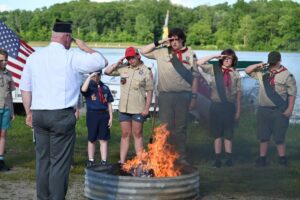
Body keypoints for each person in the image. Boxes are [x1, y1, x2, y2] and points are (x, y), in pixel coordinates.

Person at [20, 19, 108, 200]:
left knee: (43, 161)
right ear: (67, 37)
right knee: (59, 164)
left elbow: (25, 88)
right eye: (71, 38)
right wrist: (85, 47)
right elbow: (102, 61)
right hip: (61, 114)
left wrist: (28, 111)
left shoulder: (34, 57)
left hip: (39, 114)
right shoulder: (72, 57)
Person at [140, 28, 198, 162]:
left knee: (181, 128)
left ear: (183, 39)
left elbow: (195, 78)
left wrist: (194, 97)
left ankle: (181, 156)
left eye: (177, 39)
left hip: (184, 96)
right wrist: (161, 41)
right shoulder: (161, 51)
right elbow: (142, 51)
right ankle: (165, 156)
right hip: (165, 96)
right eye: (172, 39)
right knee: (165, 127)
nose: (174, 42)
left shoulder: (191, 54)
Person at [245, 51, 297, 167]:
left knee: (279, 136)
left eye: (274, 63)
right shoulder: (263, 73)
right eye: (271, 63)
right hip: (263, 109)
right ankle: (262, 158)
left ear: (279, 61)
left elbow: (292, 94)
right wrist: (258, 65)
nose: (272, 65)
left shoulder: (287, 75)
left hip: (279, 110)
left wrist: (289, 109)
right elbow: (247, 71)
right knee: (263, 136)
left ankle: (282, 158)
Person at [105, 47, 153, 164]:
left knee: (137, 134)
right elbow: (107, 72)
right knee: (125, 134)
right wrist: (118, 63)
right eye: (128, 58)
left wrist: (147, 108)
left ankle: (140, 162)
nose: (131, 60)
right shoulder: (123, 68)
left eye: (132, 57)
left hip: (138, 109)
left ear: (138, 56)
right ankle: (122, 161)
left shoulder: (146, 71)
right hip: (124, 109)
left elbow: (150, 91)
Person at [197, 49, 241, 168]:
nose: (227, 61)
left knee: (228, 134)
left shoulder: (236, 74)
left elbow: (238, 95)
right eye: (225, 58)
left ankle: (229, 158)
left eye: (229, 58)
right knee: (217, 134)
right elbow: (198, 62)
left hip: (229, 107)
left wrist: (238, 111)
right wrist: (214, 55)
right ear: (221, 59)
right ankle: (217, 159)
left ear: (233, 60)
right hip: (216, 106)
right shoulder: (214, 70)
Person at [81, 70, 114, 167]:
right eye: (93, 75)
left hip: (104, 115)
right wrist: (89, 76)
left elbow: (109, 103)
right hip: (92, 115)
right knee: (92, 139)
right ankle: (91, 160)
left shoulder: (105, 87)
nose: (96, 77)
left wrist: (111, 117)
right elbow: (83, 89)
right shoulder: (89, 87)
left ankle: (104, 160)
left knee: (103, 138)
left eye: (98, 75)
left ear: (100, 75)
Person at [0, 49, 15, 172]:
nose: (4, 62)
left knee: (3, 134)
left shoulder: (8, 74)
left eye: (5, 60)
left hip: (6, 108)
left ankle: (1, 159)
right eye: (1, 60)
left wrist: (12, 111)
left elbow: (10, 94)